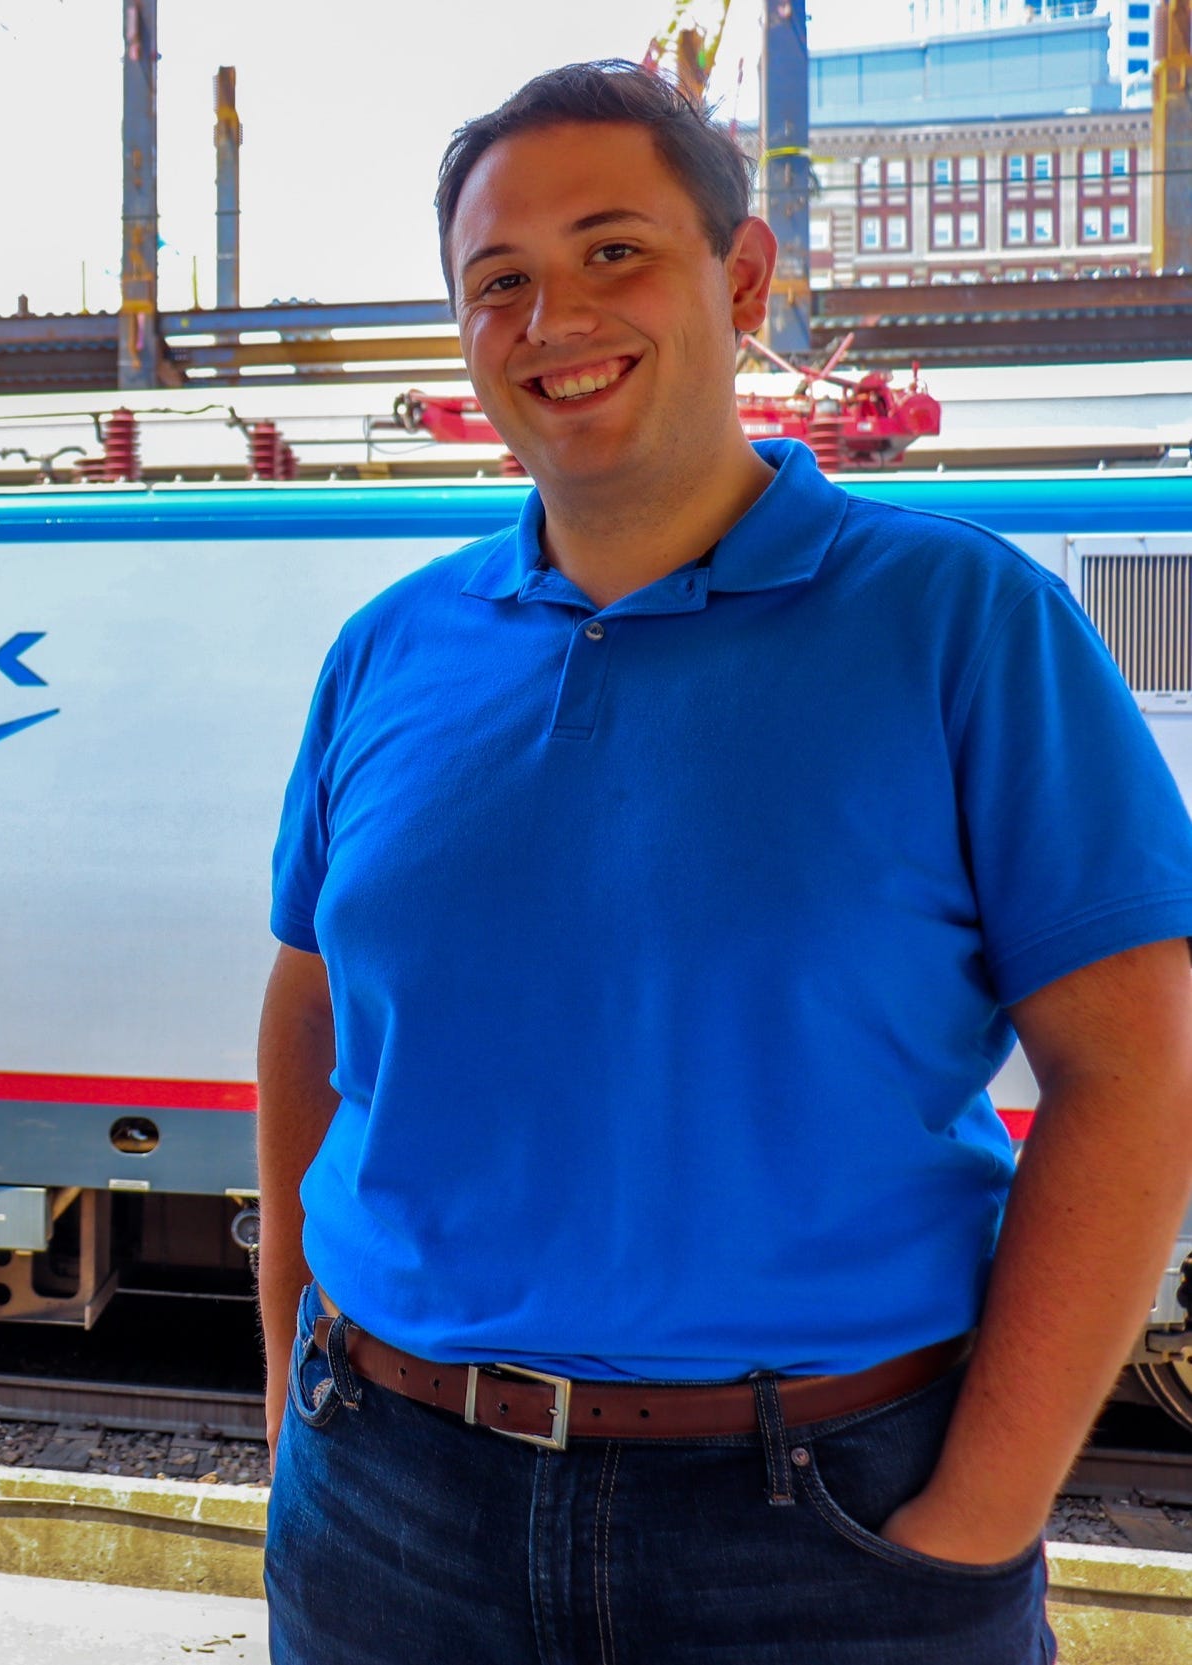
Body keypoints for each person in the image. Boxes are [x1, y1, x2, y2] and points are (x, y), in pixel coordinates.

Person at [256, 60, 1192, 1664]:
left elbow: (1139, 1074)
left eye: (614, 250)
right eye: (502, 280)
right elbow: (306, 1026)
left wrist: (977, 1518)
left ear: (742, 276)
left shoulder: (963, 626)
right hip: (389, 1508)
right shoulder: (387, 653)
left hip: (818, 1532)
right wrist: (294, 1403)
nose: (555, 314)